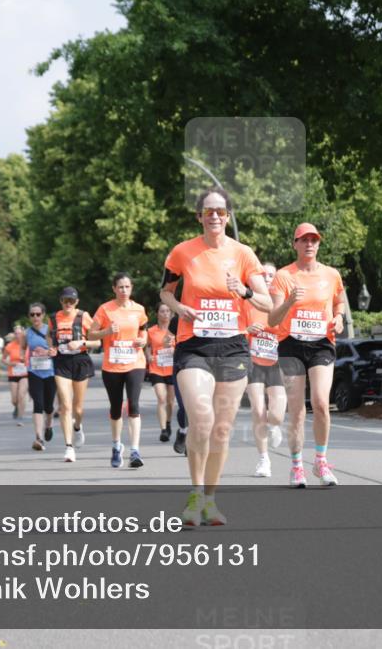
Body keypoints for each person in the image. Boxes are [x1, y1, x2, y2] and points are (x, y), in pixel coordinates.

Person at [161, 186, 270, 525]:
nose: (214, 216)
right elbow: (165, 293)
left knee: (222, 429)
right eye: (208, 211)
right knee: (203, 419)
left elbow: (268, 303)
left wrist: (246, 291)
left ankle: (210, 499)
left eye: (220, 211)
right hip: (194, 346)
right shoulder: (182, 252)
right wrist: (179, 308)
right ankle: (194, 497)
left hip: (233, 347)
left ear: (228, 216)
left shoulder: (243, 254)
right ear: (199, 216)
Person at [268, 223, 346, 488]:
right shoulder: (283, 276)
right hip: (291, 344)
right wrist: (289, 301)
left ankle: (321, 462)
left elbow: (340, 301)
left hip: (322, 343)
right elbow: (272, 318)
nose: (309, 244)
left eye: (314, 240)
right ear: (295, 244)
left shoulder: (332, 274)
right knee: (297, 409)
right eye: (304, 240)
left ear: (319, 244)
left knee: (322, 403)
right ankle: (297, 466)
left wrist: (339, 317)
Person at [89, 273, 148, 468]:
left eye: (127, 287)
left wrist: (143, 340)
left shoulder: (139, 309)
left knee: (134, 405)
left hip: (135, 363)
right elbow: (91, 333)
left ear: (131, 289)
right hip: (112, 365)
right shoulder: (105, 309)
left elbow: (143, 330)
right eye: (120, 287)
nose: (124, 291)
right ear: (114, 289)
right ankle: (116, 446)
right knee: (116, 409)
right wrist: (106, 332)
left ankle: (135, 450)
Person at [242, 262, 286, 477]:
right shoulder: (249, 303)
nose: (267, 278)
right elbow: (235, 329)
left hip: (276, 364)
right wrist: (246, 330)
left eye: (271, 275)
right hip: (253, 363)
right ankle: (263, 460)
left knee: (276, 415)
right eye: (264, 275)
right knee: (258, 410)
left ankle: (274, 426)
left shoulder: (283, 305)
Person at [51, 287, 98, 449]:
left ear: (76, 302)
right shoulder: (54, 318)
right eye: (65, 300)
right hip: (61, 362)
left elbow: (97, 341)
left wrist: (81, 343)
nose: (68, 303)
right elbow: (50, 339)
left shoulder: (83, 316)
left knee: (77, 409)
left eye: (71, 300)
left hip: (80, 361)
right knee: (65, 405)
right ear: (61, 301)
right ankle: (68, 447)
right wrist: (52, 349)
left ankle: (77, 427)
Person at [26, 304, 64, 458]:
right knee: (38, 404)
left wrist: (49, 352)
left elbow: (57, 349)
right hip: (34, 372)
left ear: (43, 315)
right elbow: (23, 349)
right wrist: (29, 357)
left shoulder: (50, 330)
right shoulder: (26, 333)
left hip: (50, 372)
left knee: (48, 406)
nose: (35, 317)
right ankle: (38, 437)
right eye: (32, 314)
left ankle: (48, 425)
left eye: (38, 314)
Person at [144, 303, 176, 443]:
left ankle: (168, 423)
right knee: (161, 398)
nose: (165, 314)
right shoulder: (151, 331)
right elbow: (147, 347)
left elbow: (181, 346)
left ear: (171, 314)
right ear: (157, 313)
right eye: (162, 311)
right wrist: (148, 356)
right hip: (156, 368)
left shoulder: (176, 331)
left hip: (172, 368)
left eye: (168, 311)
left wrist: (174, 350)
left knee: (170, 401)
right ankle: (163, 429)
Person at [2, 327, 28, 424]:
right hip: (13, 373)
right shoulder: (10, 346)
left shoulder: (27, 346)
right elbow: (3, 359)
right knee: (14, 399)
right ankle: (16, 407)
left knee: (21, 395)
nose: (18, 335)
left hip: (25, 374)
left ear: (23, 334)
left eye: (20, 333)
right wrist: (10, 364)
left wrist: (26, 361)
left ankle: (21, 417)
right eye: (16, 333)